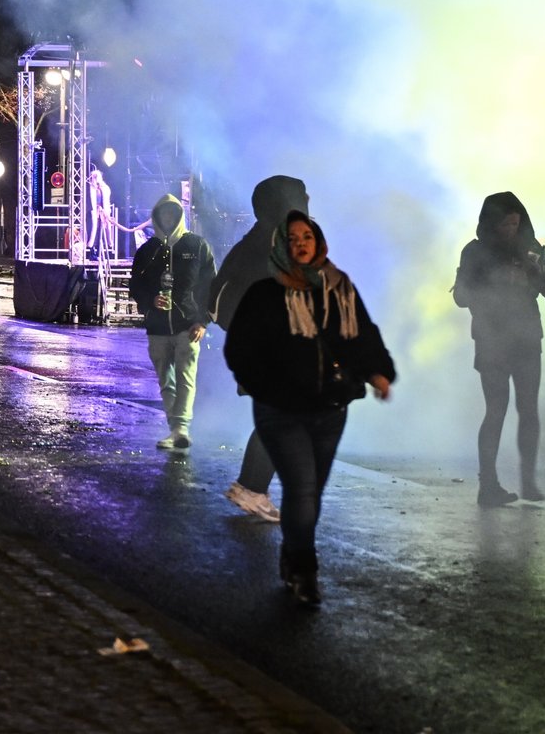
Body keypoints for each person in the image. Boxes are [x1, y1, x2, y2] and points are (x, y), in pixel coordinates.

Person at [222, 212, 396, 607]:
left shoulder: (340, 289)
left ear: (318, 242)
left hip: (330, 409)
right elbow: (240, 350)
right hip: (280, 412)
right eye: (293, 238)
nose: (301, 243)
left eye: (307, 236)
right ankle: (305, 570)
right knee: (301, 490)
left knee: (310, 494)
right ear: (282, 247)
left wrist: (377, 372)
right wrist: (267, 387)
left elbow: (363, 336)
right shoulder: (265, 294)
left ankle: (291, 555)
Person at [208, 175, 310, 524]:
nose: (308, 200)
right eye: (301, 196)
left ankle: (254, 488)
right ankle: (252, 488)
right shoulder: (281, 240)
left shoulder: (253, 240)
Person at [454, 191, 545, 507]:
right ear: (492, 224)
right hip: (491, 339)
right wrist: (491, 284)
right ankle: (488, 484)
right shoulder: (475, 251)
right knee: (496, 410)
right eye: (505, 224)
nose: (511, 229)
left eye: (515, 223)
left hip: (526, 338)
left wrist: (536, 271)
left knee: (529, 410)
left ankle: (528, 481)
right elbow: (461, 297)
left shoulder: (531, 248)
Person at [130, 195, 218, 450]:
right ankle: (175, 428)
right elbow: (136, 285)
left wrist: (203, 321)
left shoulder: (198, 246)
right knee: (165, 380)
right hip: (157, 327)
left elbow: (210, 287)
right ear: (157, 217)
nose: (168, 218)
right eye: (163, 214)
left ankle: (181, 428)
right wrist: (149, 303)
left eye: (172, 214)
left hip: (188, 326)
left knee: (186, 377)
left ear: (180, 215)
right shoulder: (148, 250)